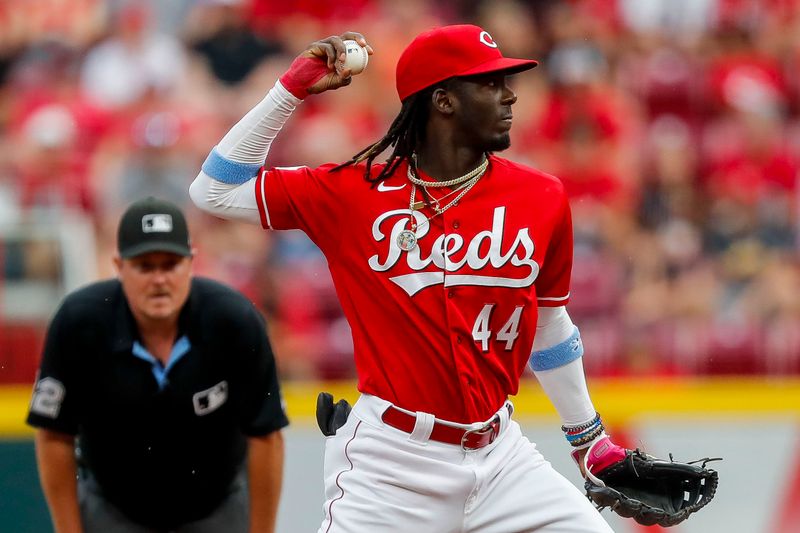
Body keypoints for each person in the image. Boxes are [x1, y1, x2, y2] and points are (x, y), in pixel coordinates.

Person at [190, 25, 618, 532]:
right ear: (443, 101)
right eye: (488, 83)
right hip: (390, 466)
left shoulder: (540, 196)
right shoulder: (353, 191)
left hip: (502, 457)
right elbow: (214, 189)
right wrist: (291, 90)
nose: (509, 95)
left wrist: (590, 443)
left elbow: (548, 323)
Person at [27, 197, 288, 533]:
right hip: (112, 509)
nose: (159, 279)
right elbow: (53, 434)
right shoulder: (79, 322)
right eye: (145, 266)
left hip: (217, 507)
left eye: (170, 264)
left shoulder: (234, 320)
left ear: (191, 263)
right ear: (119, 266)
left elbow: (266, 434)